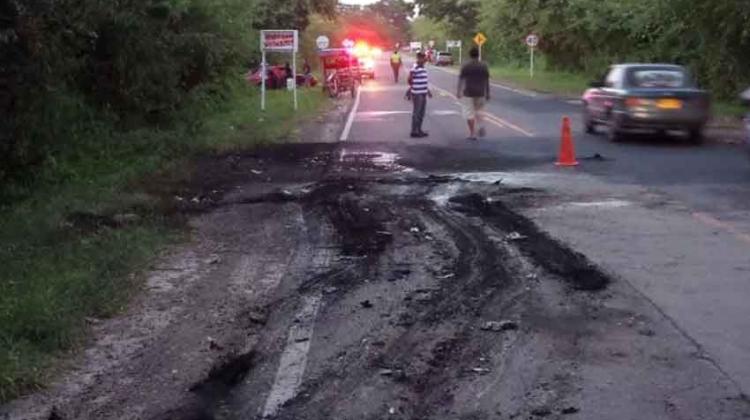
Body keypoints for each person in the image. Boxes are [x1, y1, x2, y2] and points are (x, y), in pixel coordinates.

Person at [457, 47, 490, 140]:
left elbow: (461, 79)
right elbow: (486, 80)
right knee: (479, 111)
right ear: (478, 55)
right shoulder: (483, 66)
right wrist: (487, 93)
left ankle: (472, 133)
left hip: (468, 92)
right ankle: (480, 126)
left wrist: (458, 91)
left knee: (469, 113)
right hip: (480, 92)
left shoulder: (466, 66)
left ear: (470, 55)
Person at [408, 52, 432, 138]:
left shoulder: (423, 68)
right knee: (417, 112)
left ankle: (419, 129)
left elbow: (424, 81)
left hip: (423, 93)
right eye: (423, 58)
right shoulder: (415, 67)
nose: (424, 60)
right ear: (419, 58)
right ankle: (414, 131)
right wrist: (413, 87)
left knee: (421, 113)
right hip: (417, 94)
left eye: (424, 58)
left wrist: (428, 91)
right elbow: (409, 79)